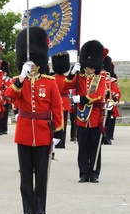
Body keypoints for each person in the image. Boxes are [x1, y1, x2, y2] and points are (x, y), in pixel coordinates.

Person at [5, 27, 63, 214]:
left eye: (36, 62)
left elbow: (57, 108)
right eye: (30, 62)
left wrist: (57, 134)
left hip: (43, 132)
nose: (34, 66)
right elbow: (9, 96)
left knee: (41, 175)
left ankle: (40, 208)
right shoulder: (17, 81)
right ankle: (27, 209)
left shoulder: (49, 82)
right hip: (23, 132)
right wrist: (21, 77)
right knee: (25, 175)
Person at [63, 40, 106, 183]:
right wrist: (71, 73)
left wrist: (80, 99)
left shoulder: (101, 79)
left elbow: (98, 96)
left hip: (94, 117)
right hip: (81, 118)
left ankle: (94, 173)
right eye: (86, 66)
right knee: (82, 149)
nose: (88, 69)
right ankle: (83, 173)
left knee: (95, 147)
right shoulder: (79, 77)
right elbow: (64, 86)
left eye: (91, 66)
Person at [51, 52, 71, 148]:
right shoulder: (67, 78)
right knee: (64, 124)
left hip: (55, 101)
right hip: (65, 101)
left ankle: (56, 141)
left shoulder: (52, 78)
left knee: (55, 122)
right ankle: (62, 142)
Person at [101, 54, 121, 145]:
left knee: (108, 121)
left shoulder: (111, 80)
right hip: (98, 102)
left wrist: (110, 93)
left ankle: (107, 137)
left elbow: (116, 92)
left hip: (108, 103)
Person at [0, 60, 13, 135]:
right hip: (0, 99)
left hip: (6, 99)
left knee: (5, 115)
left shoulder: (10, 80)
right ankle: (0, 128)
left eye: (5, 71)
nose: (4, 73)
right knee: (0, 115)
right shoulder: (0, 79)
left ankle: (4, 128)